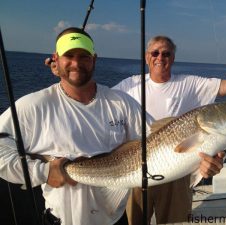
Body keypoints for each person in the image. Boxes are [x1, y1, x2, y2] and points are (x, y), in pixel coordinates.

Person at [112, 15, 226, 225]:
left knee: (175, 221)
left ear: (173, 58)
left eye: (166, 53)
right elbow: (101, 105)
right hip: (135, 167)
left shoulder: (189, 83)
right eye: (155, 52)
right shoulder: (128, 85)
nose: (160, 57)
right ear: (147, 56)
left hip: (177, 171)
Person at [0, 27, 153, 225]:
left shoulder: (122, 103)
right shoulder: (34, 105)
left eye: (84, 56)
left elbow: (157, 140)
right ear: (56, 59)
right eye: (69, 55)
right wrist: (42, 172)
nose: (76, 63)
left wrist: (199, 158)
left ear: (94, 59)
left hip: (115, 220)